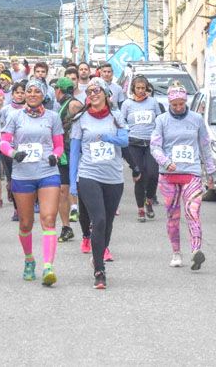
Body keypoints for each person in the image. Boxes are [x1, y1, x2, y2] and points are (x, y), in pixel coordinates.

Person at [0, 79, 64, 285]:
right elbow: (3, 142)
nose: (33, 94)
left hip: (47, 172)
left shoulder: (53, 117)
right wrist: (13, 153)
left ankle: (48, 266)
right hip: (23, 174)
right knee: (26, 223)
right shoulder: (14, 116)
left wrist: (55, 155)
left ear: (44, 95)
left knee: (48, 219)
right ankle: (29, 259)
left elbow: (59, 145)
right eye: (30, 91)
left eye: (37, 91)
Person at [69, 78, 128, 289]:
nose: (93, 94)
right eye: (90, 91)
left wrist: (108, 138)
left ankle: (98, 254)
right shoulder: (80, 119)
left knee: (108, 223)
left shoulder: (116, 116)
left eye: (97, 90)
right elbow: (75, 153)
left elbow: (125, 141)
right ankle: (99, 271)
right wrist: (73, 182)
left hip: (113, 176)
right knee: (99, 220)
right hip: (89, 174)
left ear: (106, 94)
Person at [150, 82, 215, 271]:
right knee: (173, 215)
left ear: (185, 101)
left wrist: (210, 171)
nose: (178, 108)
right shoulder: (161, 120)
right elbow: (155, 146)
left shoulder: (196, 119)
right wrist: (164, 161)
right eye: (174, 105)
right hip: (168, 175)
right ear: (170, 103)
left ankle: (196, 251)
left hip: (191, 173)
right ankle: (176, 253)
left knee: (192, 212)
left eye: (181, 104)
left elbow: (204, 145)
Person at [121, 75, 162, 222]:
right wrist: (127, 132)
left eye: (143, 88)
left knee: (153, 174)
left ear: (147, 89)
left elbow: (159, 120)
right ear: (133, 89)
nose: (140, 91)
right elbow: (121, 121)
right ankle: (140, 209)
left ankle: (149, 200)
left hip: (151, 144)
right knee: (140, 176)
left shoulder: (153, 102)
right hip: (134, 144)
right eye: (138, 88)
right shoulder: (127, 104)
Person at [53, 77, 83, 242]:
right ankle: (66, 227)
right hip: (63, 153)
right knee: (62, 190)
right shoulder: (62, 105)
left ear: (59, 89)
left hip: (74, 152)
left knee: (79, 188)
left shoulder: (73, 104)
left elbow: (86, 117)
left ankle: (89, 222)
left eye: (56, 88)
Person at [0, 82, 27, 222]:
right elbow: (3, 130)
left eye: (23, 92)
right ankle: (17, 209)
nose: (20, 95)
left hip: (26, 150)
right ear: (12, 94)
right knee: (13, 180)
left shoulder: (30, 109)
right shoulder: (6, 110)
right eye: (18, 92)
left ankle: (29, 204)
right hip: (9, 151)